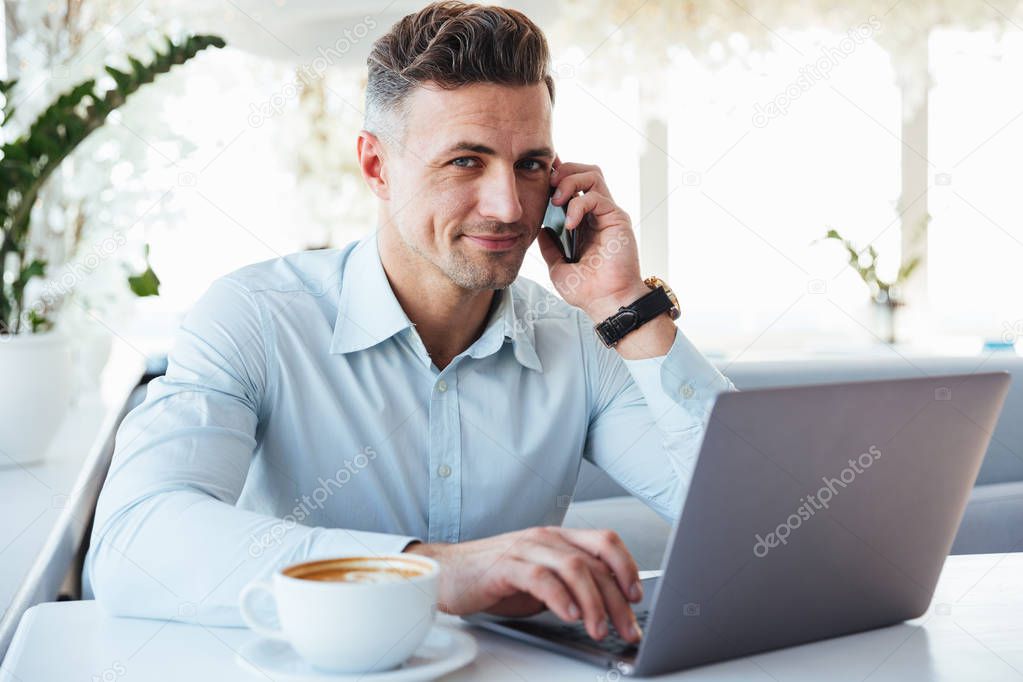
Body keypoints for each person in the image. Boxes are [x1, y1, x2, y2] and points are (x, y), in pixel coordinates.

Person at [84, 1, 734, 645]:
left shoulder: (580, 339)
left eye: (531, 164)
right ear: (376, 166)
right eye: (464, 161)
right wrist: (431, 571)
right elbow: (133, 542)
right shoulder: (255, 318)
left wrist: (626, 303)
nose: (508, 206)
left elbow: (757, 518)